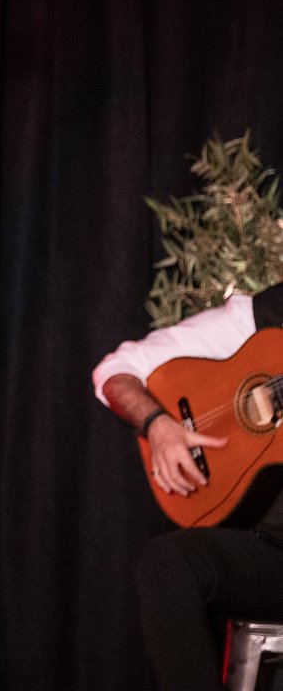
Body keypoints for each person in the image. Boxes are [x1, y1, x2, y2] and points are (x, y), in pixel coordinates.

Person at [93, 282, 283, 691]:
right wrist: (157, 424)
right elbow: (118, 370)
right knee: (167, 562)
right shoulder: (265, 317)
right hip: (272, 557)